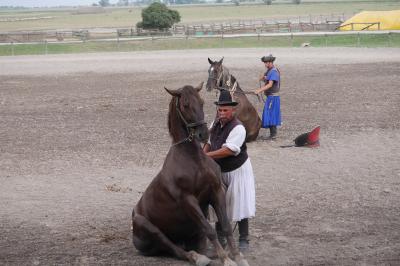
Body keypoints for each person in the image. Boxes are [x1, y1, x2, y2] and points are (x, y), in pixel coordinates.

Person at [203, 89, 256, 252]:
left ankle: (244, 239)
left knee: (240, 202)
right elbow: (209, 141)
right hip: (220, 170)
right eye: (220, 109)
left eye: (225, 110)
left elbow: (229, 150)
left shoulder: (238, 128)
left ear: (233, 110)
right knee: (219, 202)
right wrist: (203, 154)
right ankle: (221, 239)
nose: (222, 113)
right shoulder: (214, 124)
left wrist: (207, 156)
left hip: (237, 169)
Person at [254, 54, 281, 140]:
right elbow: (264, 79)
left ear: (271, 62)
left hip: (273, 97)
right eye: (264, 63)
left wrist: (259, 90)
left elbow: (270, 84)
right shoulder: (269, 71)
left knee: (271, 114)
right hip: (270, 97)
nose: (265, 64)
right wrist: (263, 77)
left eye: (266, 63)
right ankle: (272, 134)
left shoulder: (274, 71)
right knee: (269, 113)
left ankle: (273, 134)